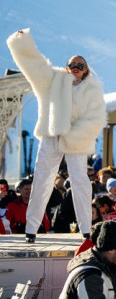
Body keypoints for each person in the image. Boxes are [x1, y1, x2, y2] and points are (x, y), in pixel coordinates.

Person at [7, 29, 106, 242]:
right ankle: (31, 228)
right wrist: (22, 42)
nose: (76, 68)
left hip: (76, 139)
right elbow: (36, 67)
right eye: (72, 64)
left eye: (80, 65)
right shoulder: (55, 80)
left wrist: (76, 134)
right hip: (52, 134)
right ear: (67, 67)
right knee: (42, 179)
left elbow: (96, 118)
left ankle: (86, 228)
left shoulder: (92, 89)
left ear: (86, 69)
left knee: (80, 182)